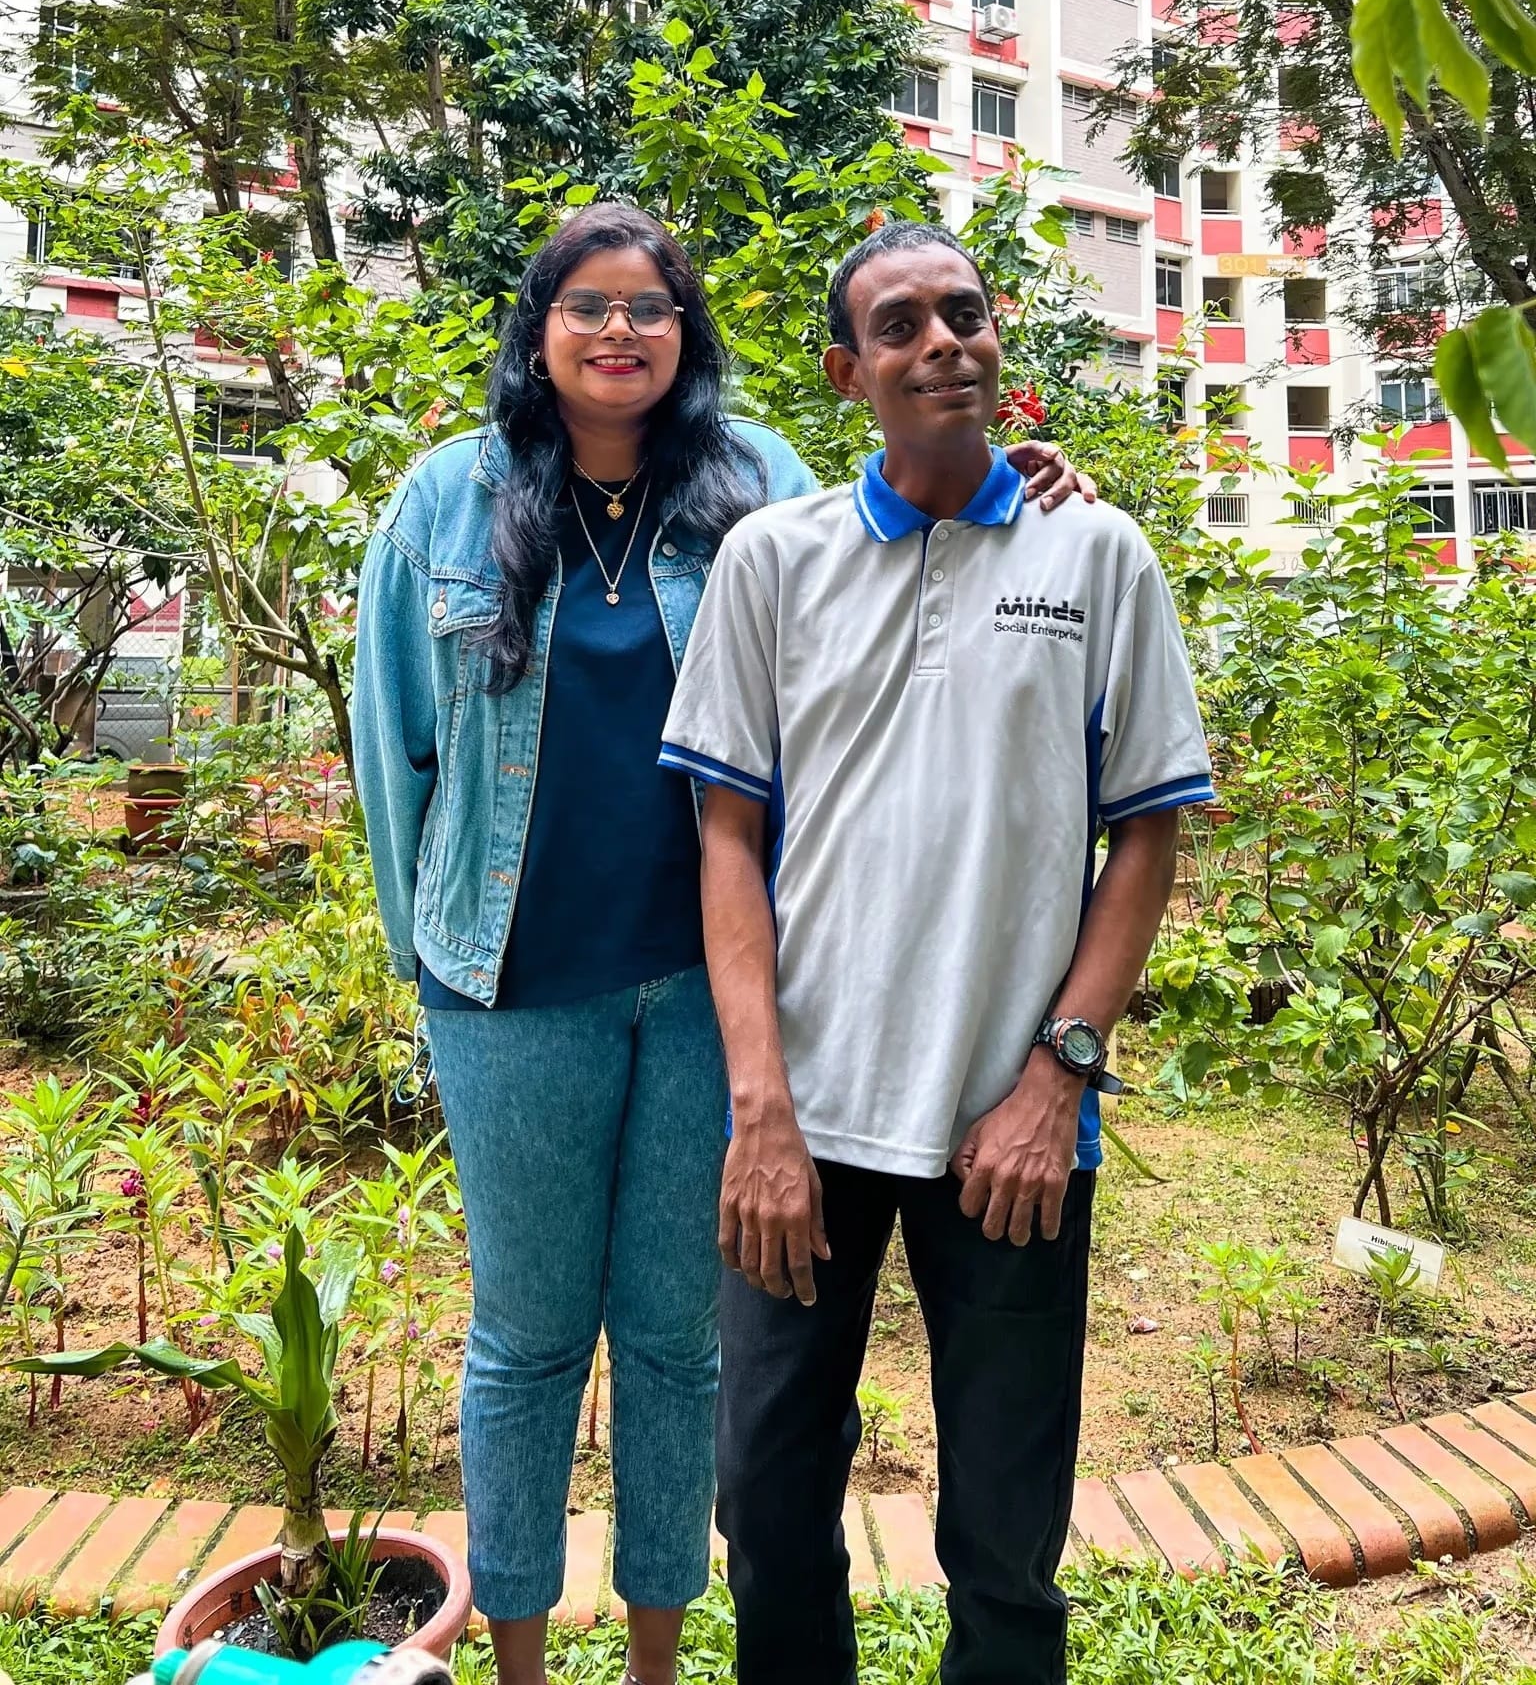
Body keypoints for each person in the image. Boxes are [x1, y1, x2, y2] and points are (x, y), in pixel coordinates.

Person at [350, 202, 1093, 1685]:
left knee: (684, 1344)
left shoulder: (758, 482)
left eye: (651, 307)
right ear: (540, 329)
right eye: (588, 306)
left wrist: (1023, 476)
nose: (620, 331)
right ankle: (517, 1664)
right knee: (528, 1339)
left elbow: (909, 547)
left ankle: (655, 1664)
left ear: (686, 336)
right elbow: (396, 752)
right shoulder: (444, 502)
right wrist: (430, 951)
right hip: (508, 993)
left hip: (716, 992)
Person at [659, 220, 1214, 1685]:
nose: (940, 344)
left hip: (1012, 1131)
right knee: (768, 1503)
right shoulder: (773, 562)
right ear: (849, 373)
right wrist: (759, 1111)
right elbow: (726, 842)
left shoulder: (1098, 553)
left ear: (998, 331)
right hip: (808, 1125)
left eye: (962, 314)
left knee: (1008, 1529)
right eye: (898, 328)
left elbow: (1145, 839)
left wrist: (1058, 1085)